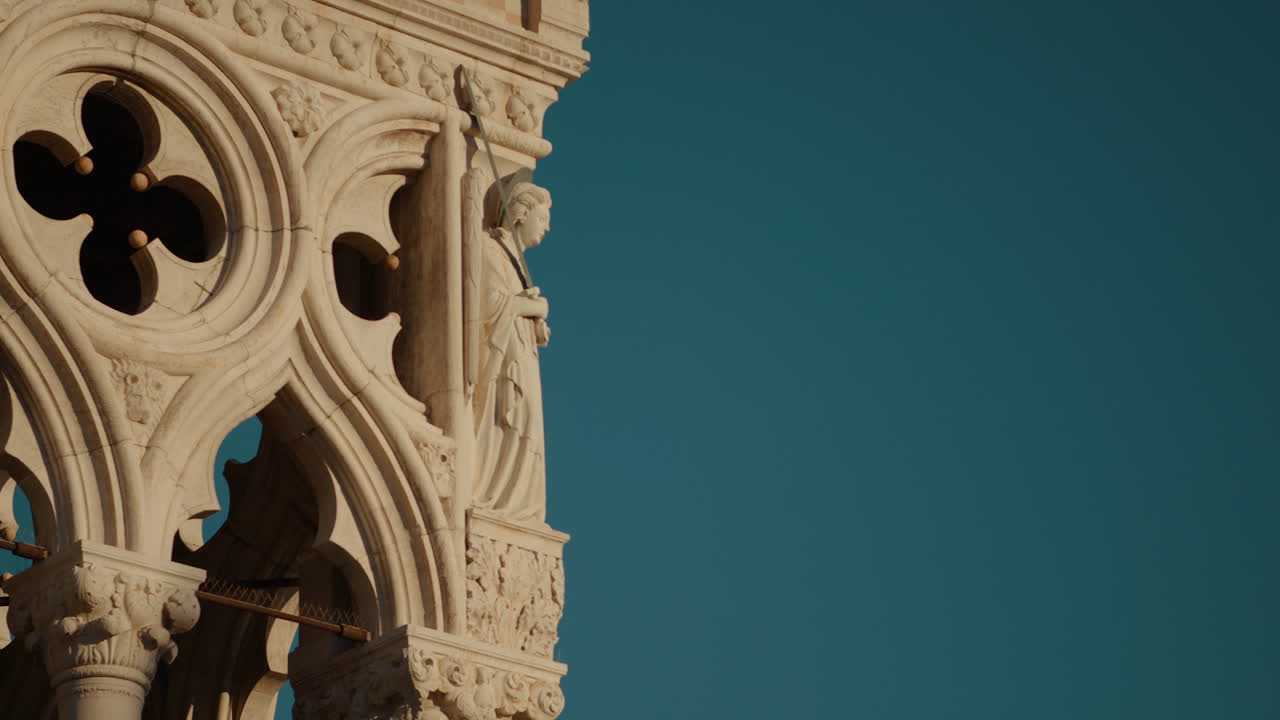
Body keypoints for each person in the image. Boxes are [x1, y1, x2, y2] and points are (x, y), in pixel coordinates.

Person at [472, 182, 552, 524]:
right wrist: (531, 307)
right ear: (521, 214)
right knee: (515, 417)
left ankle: (519, 503)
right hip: (503, 358)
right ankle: (501, 498)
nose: (546, 227)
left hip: (519, 354)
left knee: (529, 421)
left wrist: (534, 317)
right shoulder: (490, 249)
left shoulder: (513, 259)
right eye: (543, 218)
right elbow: (487, 307)